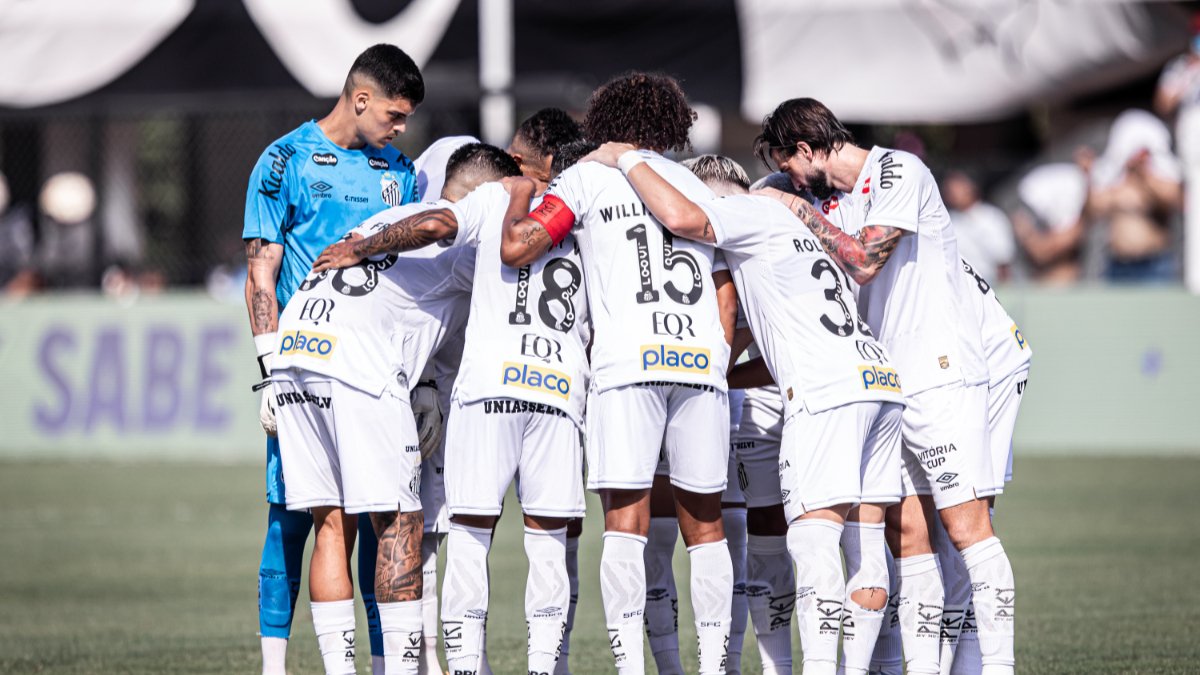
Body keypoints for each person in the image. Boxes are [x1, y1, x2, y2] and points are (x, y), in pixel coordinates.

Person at [584, 147, 907, 675]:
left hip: (808, 394)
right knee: (857, 542)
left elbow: (687, 222)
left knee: (795, 541)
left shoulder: (743, 218)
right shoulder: (805, 231)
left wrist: (626, 160)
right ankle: (878, 667)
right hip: (870, 376)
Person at [752, 98, 1016, 675]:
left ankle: (998, 665)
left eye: (788, 163)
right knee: (908, 536)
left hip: (942, 369)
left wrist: (792, 204)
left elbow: (866, 258)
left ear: (805, 148)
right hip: (890, 383)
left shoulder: (897, 169)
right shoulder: (827, 200)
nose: (790, 178)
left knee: (966, 528)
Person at [503, 72, 737, 675]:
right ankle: (713, 667)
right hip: (699, 364)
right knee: (704, 526)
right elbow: (724, 286)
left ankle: (631, 668)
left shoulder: (585, 177)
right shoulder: (692, 183)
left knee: (626, 524)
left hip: (628, 364)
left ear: (605, 122)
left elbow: (526, 244)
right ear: (671, 126)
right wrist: (716, 355)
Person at [274, 144, 518, 675]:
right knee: (400, 521)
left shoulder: (385, 215)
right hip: (356, 362)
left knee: (332, 523)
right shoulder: (462, 236)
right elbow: (440, 236)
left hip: (296, 349)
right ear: (486, 197)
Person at [241, 43, 423, 675]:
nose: (401, 130)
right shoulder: (283, 159)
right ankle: (274, 666)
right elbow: (260, 271)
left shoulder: (402, 173)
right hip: (302, 367)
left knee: (379, 523)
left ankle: (378, 664)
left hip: (373, 370)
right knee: (296, 516)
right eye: (395, 116)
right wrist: (268, 368)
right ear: (361, 98)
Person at [1077, 109, 1183, 283]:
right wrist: (1088, 178)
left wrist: (1144, 172)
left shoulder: (1158, 179)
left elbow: (1174, 202)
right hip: (1118, 266)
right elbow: (1093, 212)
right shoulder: (1114, 182)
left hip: (1154, 266)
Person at [1154, 13, 1200, 292]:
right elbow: (1164, 102)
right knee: (1193, 214)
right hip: (1192, 157)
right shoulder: (1181, 68)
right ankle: (1195, 283)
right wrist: (1189, 74)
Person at [1011, 163, 1087, 285]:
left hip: (1066, 287)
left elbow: (1042, 253)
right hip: (1042, 286)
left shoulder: (1075, 224)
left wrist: (1027, 234)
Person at [942, 171, 1015, 283]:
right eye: (950, 189)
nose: (953, 192)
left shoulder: (991, 217)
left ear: (971, 187)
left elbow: (1003, 261)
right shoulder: (946, 220)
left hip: (989, 287)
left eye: (958, 187)